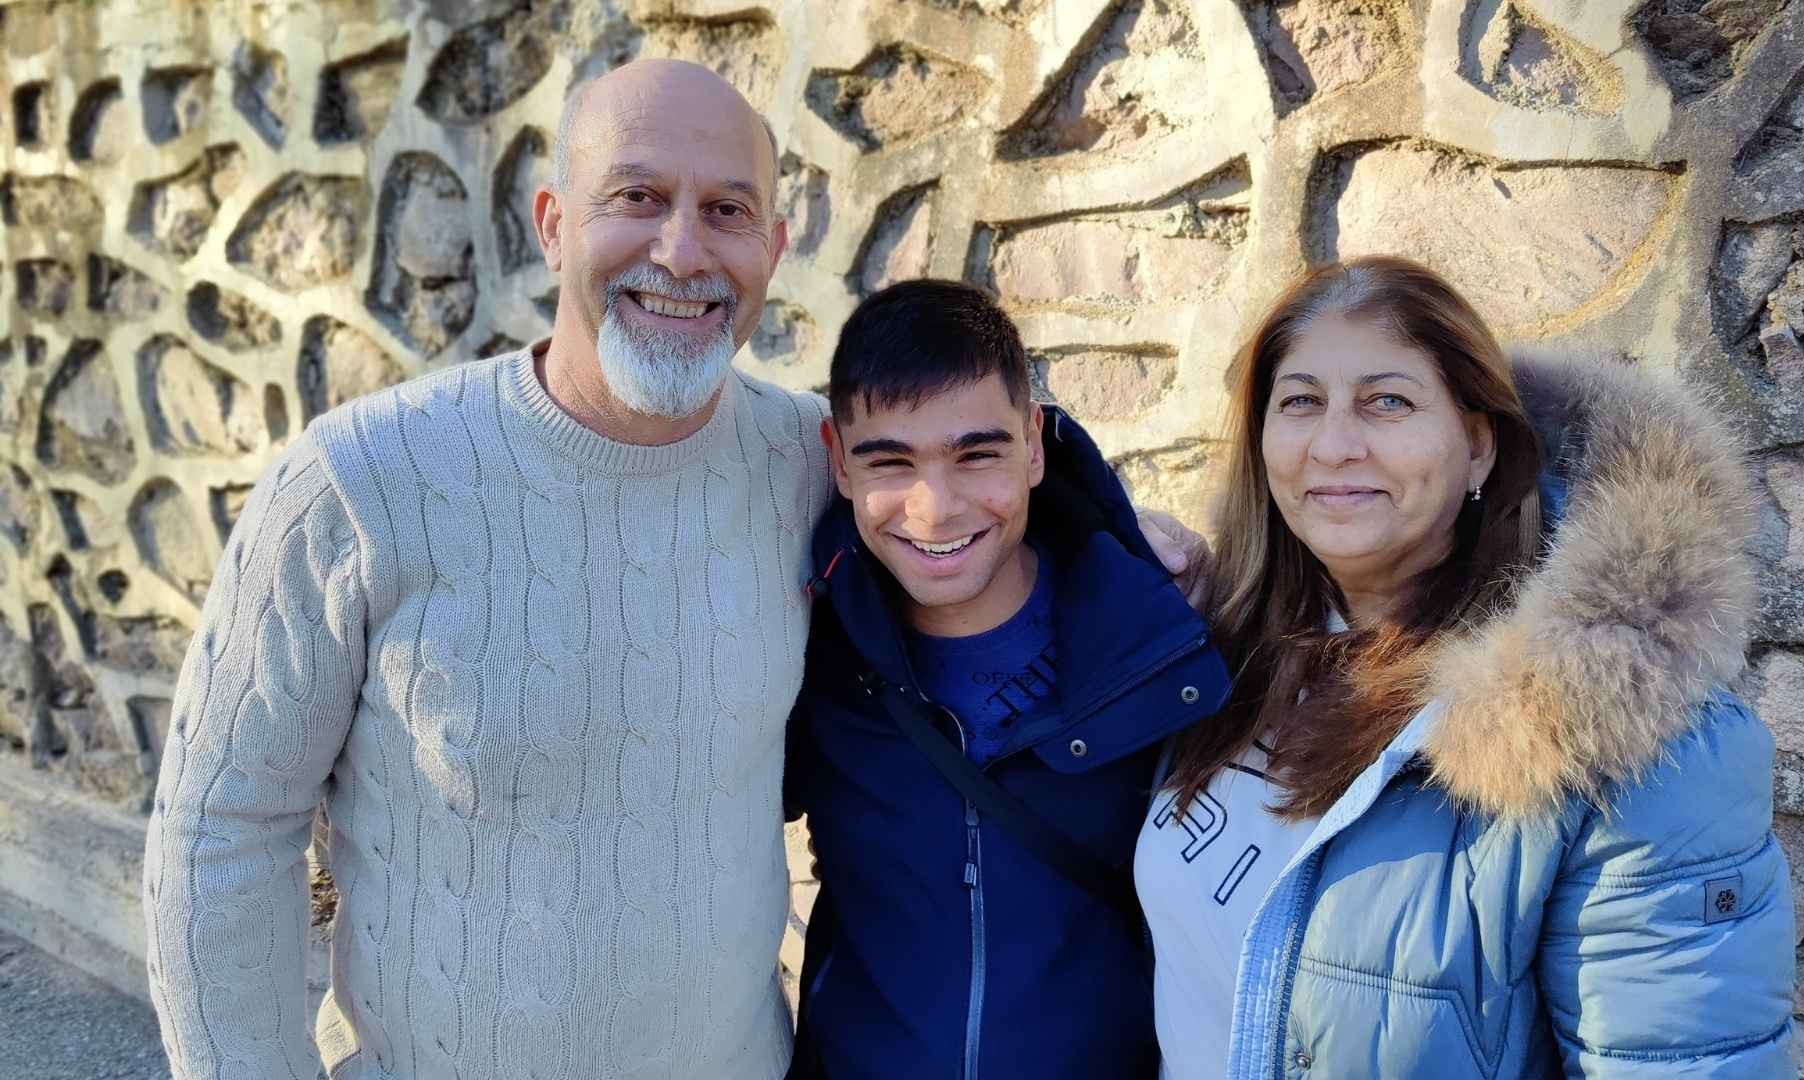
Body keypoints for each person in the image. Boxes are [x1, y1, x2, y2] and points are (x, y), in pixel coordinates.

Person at [141, 59, 1205, 1079]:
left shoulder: (802, 461)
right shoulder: (358, 484)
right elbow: (223, 830)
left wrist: (1115, 534)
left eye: (728, 211)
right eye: (638, 197)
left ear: (775, 246)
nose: (684, 252)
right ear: (554, 224)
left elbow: (962, 476)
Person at [1135, 256, 1795, 1079]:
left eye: (1388, 403)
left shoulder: (1622, 740)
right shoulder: (1218, 658)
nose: (1335, 445)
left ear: (1478, 446)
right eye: (1301, 401)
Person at [785, 279, 1230, 1079]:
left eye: (976, 454)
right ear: (838, 463)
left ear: (1033, 441)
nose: (936, 508)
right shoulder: (804, 653)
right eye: (891, 461)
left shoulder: (1163, 650)